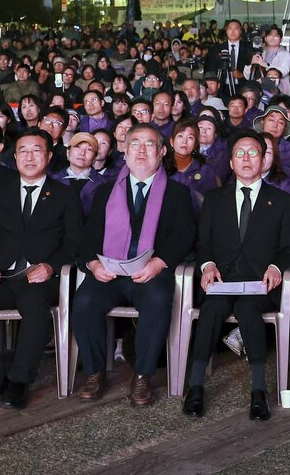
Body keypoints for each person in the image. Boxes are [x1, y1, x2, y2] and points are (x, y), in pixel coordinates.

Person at [73, 123, 196, 407]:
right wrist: (93, 265)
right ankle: (94, 372)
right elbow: (89, 236)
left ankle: (142, 375)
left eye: (149, 144)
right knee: (85, 300)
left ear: (162, 151)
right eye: (135, 144)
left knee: (158, 300)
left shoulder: (177, 193)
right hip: (109, 271)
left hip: (150, 272)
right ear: (125, 151)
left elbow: (185, 235)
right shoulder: (105, 192)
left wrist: (159, 263)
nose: (142, 150)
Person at [0, 128, 81, 410]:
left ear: (48, 156)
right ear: (14, 157)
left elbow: (74, 243)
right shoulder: (0, 194)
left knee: (33, 304)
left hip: (41, 278)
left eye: (36, 150)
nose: (29, 157)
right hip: (2, 275)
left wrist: (50, 266)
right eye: (23, 151)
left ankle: (19, 381)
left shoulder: (65, 195)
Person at [183, 131, 290, 420]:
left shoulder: (282, 200)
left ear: (264, 160)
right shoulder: (214, 199)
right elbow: (203, 243)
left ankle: (259, 391)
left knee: (248, 310)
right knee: (211, 310)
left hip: (260, 284)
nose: (246, 158)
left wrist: (275, 267)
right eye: (239, 153)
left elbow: (289, 248)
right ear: (231, 163)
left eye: (253, 153)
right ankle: (195, 386)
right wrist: (208, 265)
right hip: (223, 281)